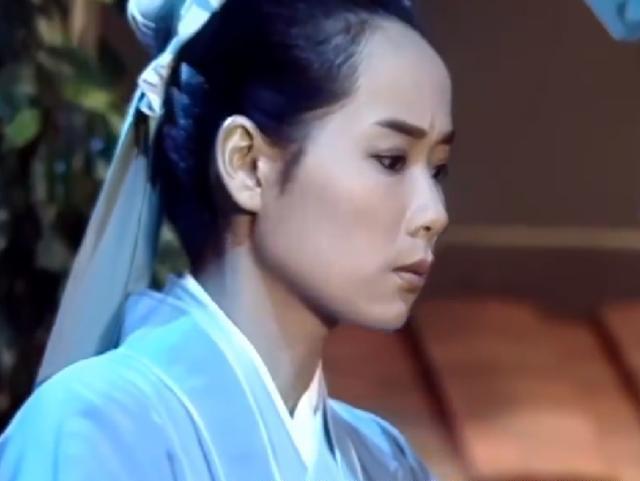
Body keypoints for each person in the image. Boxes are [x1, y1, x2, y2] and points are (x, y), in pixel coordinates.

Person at [0, 0, 453, 479]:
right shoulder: (96, 430)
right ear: (247, 164)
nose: (434, 213)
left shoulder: (384, 460)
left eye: (438, 170)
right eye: (391, 160)